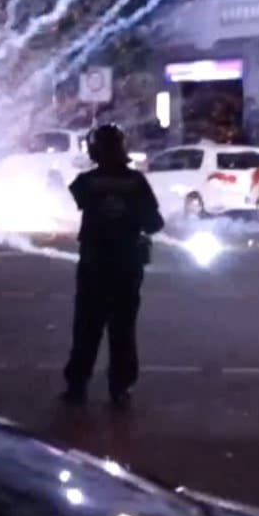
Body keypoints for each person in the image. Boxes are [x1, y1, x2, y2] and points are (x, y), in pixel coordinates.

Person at [62, 124, 164, 409]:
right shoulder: (137, 183)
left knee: (86, 327)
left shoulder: (85, 183)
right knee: (122, 329)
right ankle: (120, 388)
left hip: (94, 264)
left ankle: (77, 385)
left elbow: (81, 200)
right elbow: (154, 223)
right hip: (127, 265)